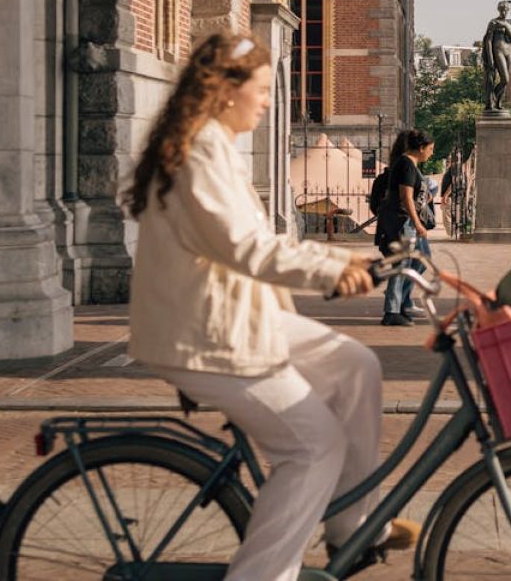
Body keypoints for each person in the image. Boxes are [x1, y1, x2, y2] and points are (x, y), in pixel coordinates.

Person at [125, 33, 417, 580]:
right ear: (224, 91)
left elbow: (259, 242)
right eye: (260, 90)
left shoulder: (213, 143)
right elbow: (245, 247)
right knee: (313, 448)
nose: (266, 101)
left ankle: (353, 528)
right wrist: (332, 270)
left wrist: (343, 262)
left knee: (357, 366)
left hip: (235, 317)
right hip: (206, 334)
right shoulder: (201, 151)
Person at [378, 128, 435, 326]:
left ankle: (401, 301)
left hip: (405, 221)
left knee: (421, 259)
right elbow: (406, 197)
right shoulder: (406, 165)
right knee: (401, 265)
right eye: (430, 149)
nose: (431, 153)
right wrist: (418, 223)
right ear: (421, 148)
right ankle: (392, 311)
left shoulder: (409, 164)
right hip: (402, 221)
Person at [482, 0, 511, 111]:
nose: (504, 12)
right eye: (502, 10)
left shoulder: (507, 24)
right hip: (498, 50)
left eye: (506, 10)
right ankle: (491, 97)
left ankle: (498, 103)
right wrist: (490, 57)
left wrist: (505, 27)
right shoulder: (493, 23)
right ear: (499, 10)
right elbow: (488, 41)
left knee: (505, 81)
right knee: (505, 79)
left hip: (508, 52)